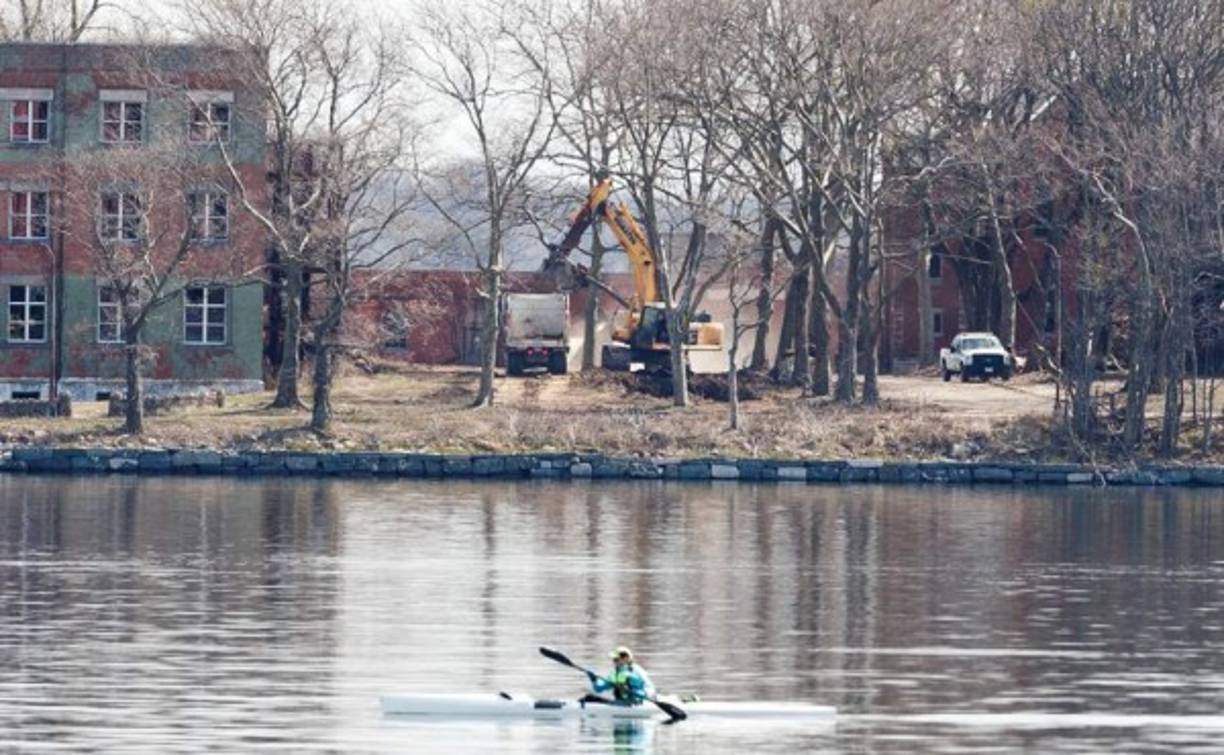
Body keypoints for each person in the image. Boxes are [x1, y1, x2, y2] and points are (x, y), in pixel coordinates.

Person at [582, 646, 656, 705]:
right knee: (589, 698)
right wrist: (594, 680)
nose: (614, 662)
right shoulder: (615, 674)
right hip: (621, 702)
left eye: (616, 659)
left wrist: (642, 695)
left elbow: (650, 687)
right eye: (613, 659)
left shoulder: (637, 670)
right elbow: (599, 688)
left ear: (626, 658)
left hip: (637, 702)